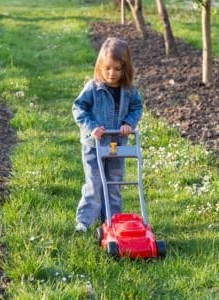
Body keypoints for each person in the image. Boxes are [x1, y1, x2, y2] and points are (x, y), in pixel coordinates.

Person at [72, 37, 143, 232]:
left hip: (117, 146)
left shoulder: (129, 91)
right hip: (94, 146)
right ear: (100, 66)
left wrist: (129, 122)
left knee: (114, 184)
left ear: (125, 69)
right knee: (95, 185)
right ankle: (84, 221)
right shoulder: (93, 88)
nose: (112, 74)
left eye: (118, 69)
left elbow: (136, 108)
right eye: (108, 68)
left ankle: (112, 221)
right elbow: (78, 108)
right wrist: (92, 126)